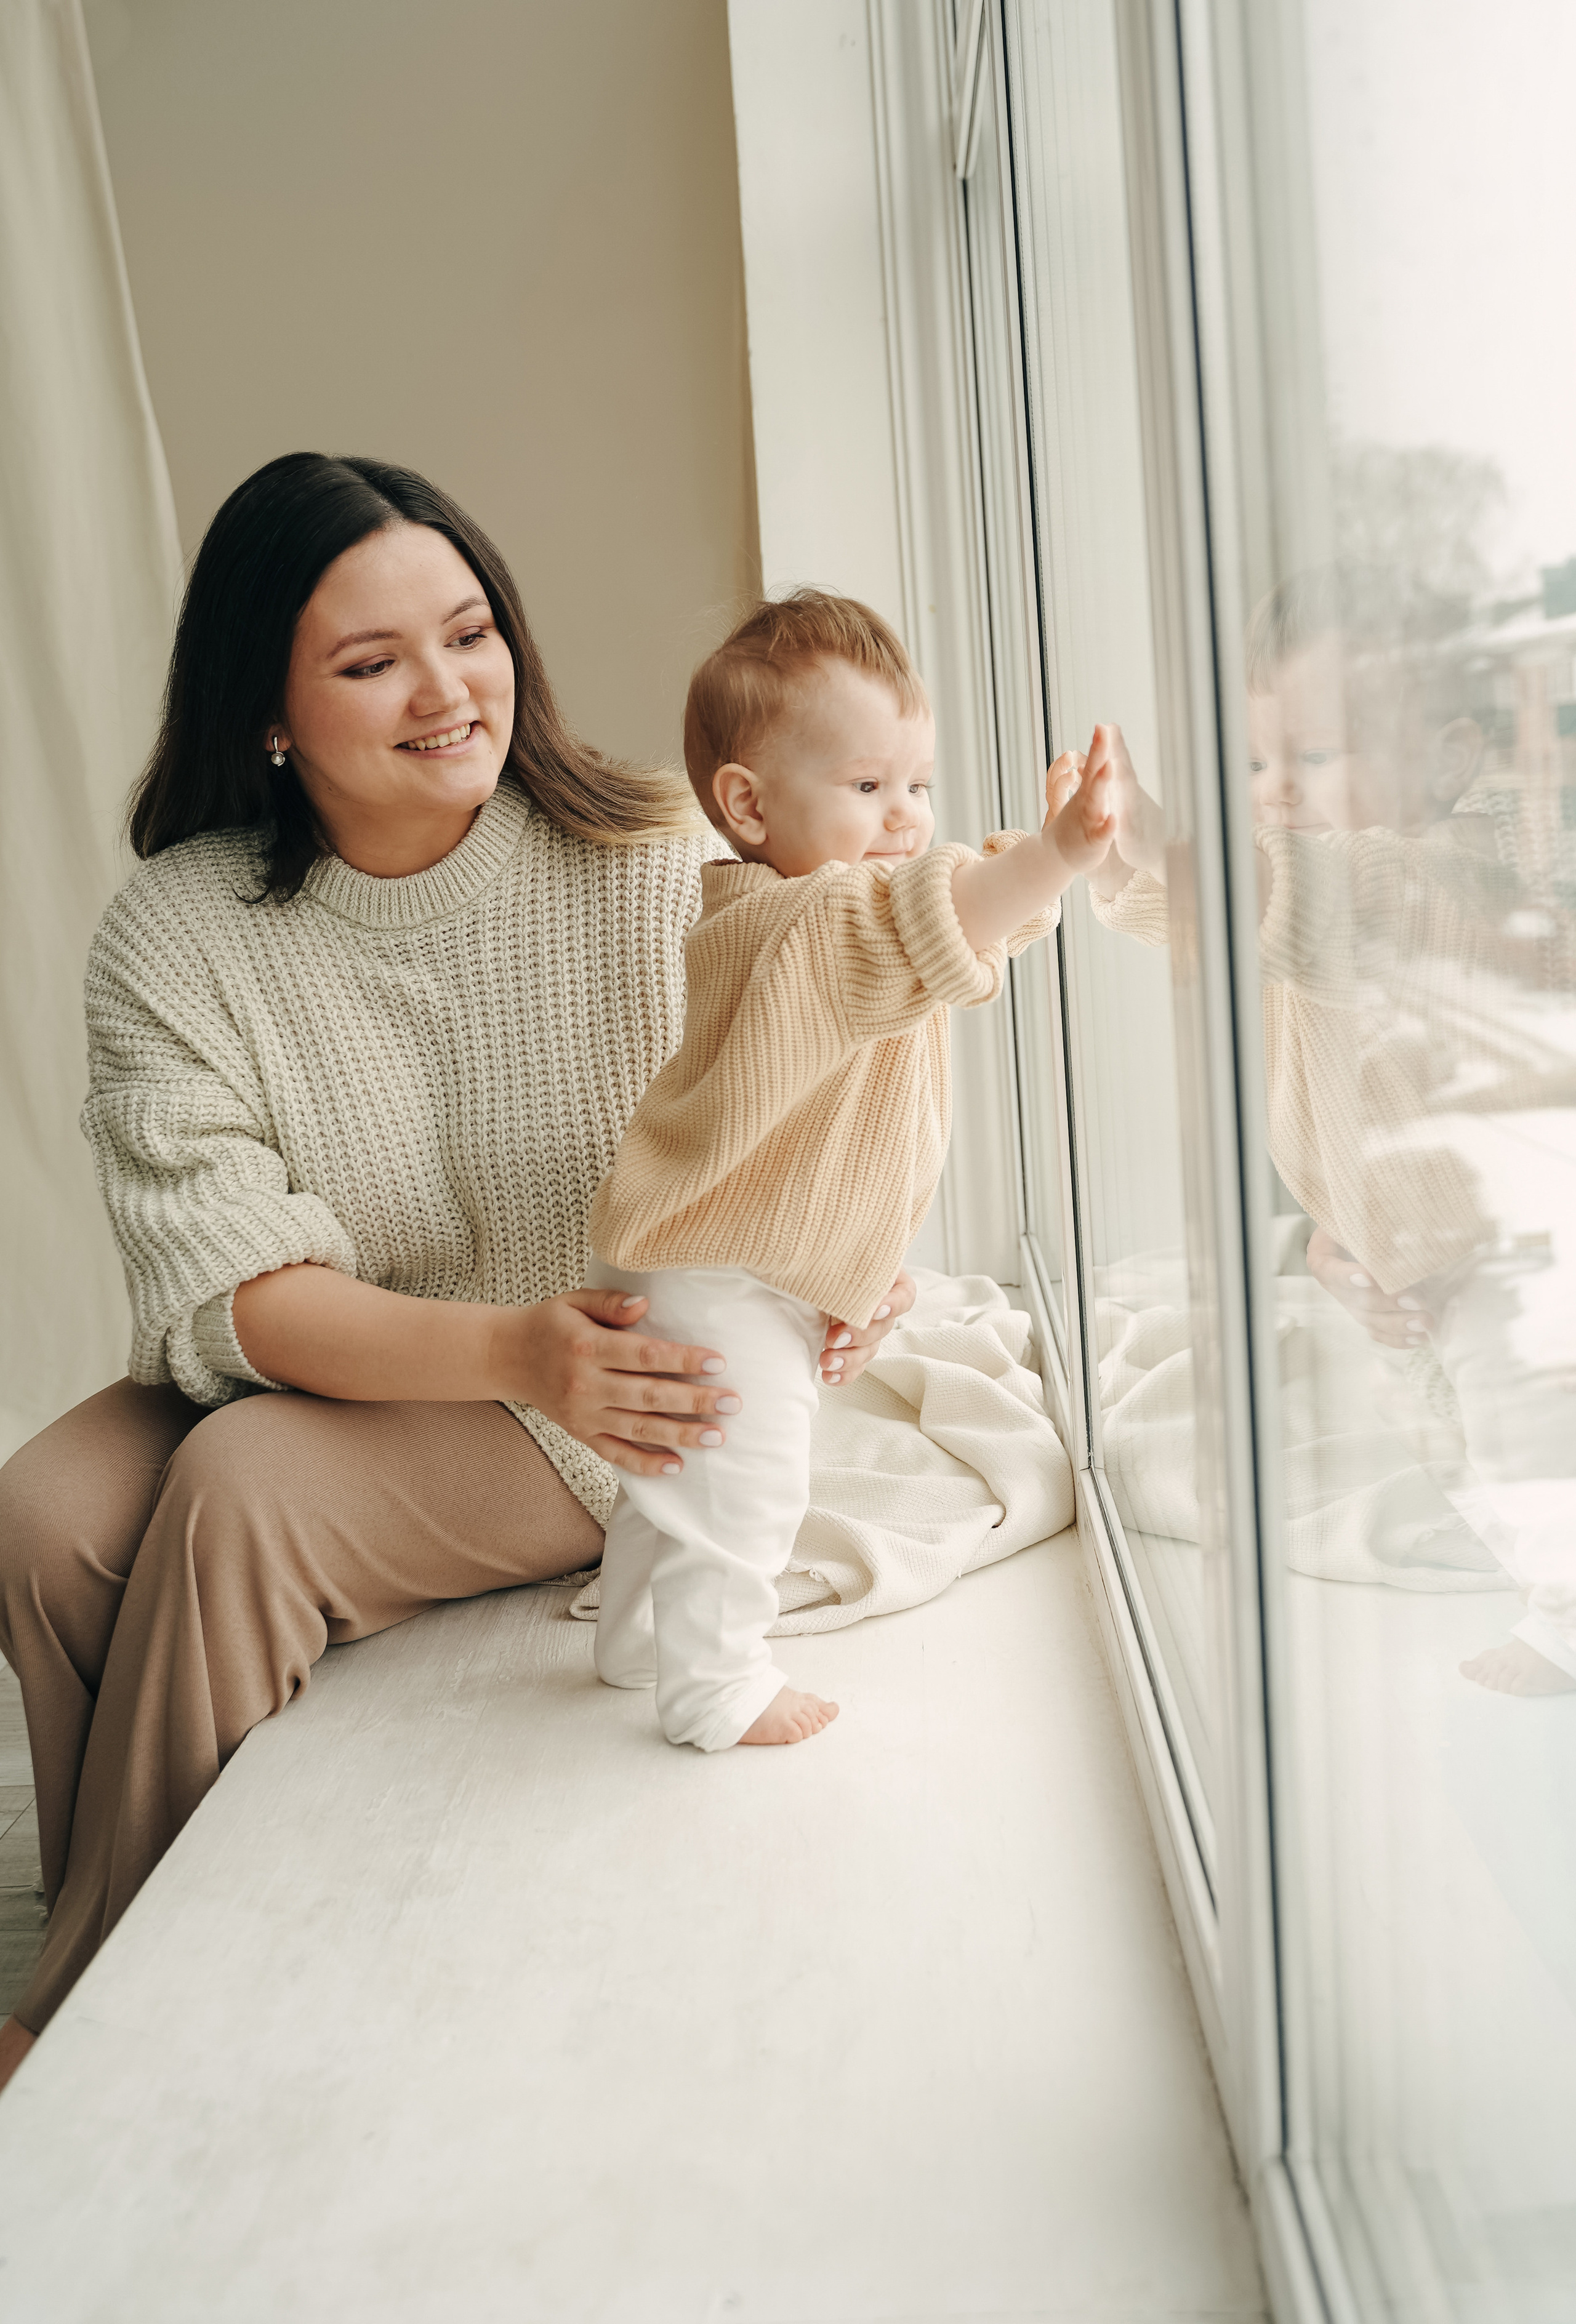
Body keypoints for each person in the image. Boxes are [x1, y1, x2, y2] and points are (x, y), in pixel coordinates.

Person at [0, 459, 919, 2090]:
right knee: (46, 1509)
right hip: (453, 1354)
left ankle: (79, 2033)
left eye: (472, 632)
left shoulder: (654, 849)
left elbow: (854, 1025)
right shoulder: (177, 931)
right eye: (372, 665)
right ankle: (112, 1918)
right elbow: (236, 1299)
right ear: (267, 709)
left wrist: (850, 1265)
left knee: (245, 1490)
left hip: (622, 1384)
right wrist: (511, 1348)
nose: (448, 692)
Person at [585, 592, 1114, 1750]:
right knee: (751, 1483)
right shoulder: (804, 927)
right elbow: (945, 914)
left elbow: (963, 918)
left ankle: (634, 1636)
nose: (906, 817)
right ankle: (716, 1688)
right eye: (868, 788)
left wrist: (1040, 869)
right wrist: (1059, 855)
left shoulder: (826, 915)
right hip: (722, 1266)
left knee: (680, 1469)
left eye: (917, 785)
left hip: (727, 1255)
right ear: (748, 802)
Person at [1085, 574, 1576, 1699]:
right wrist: (1113, 868)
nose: (1279, 794)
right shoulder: (1312, 902)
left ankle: (1569, 1616)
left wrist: (1168, 844)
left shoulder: (1439, 878)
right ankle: (1531, 1558)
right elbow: (1232, 931)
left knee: (1523, 1421)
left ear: (1448, 762)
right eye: (1259, 765)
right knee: (1455, 1438)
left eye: (1315, 757)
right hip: (1419, 1245)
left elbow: (1291, 896)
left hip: (1527, 1241)